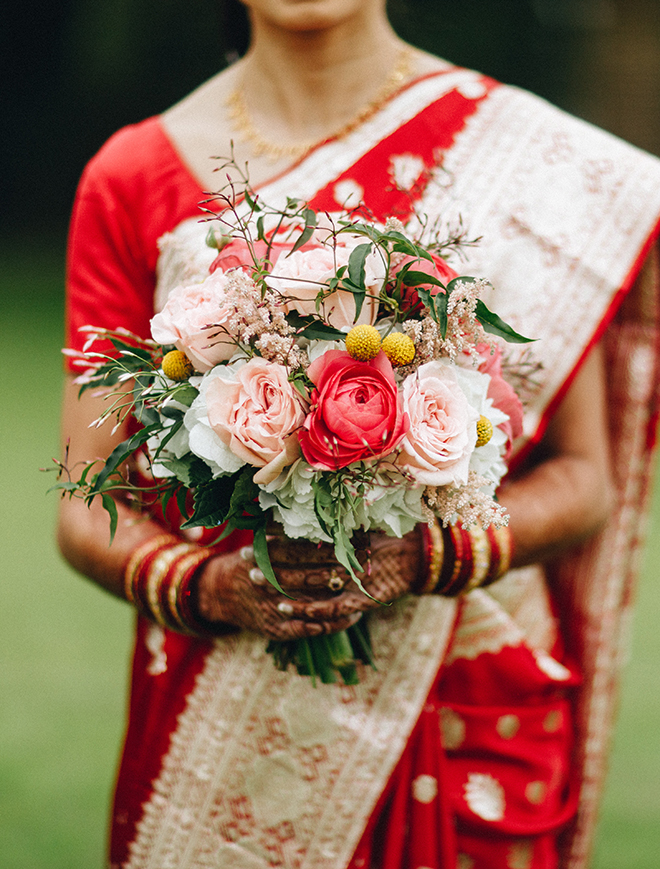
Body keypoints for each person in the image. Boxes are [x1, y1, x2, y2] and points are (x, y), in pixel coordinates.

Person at [57, 1, 660, 867]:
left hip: (467, 705)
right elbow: (87, 506)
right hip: (221, 718)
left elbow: (584, 480)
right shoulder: (133, 173)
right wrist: (217, 588)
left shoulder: (535, 163)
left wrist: (421, 557)